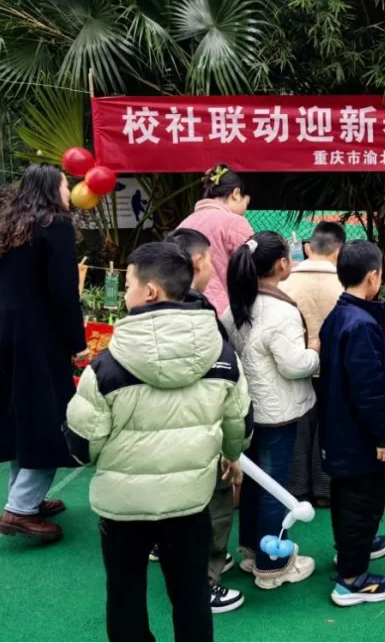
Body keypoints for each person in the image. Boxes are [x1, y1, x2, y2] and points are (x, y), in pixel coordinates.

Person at [65, 242, 251, 643]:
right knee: (191, 595)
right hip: (190, 500)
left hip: (122, 507)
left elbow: (82, 446)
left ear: (150, 291)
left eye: (128, 284)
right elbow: (240, 426)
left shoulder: (106, 366)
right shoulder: (223, 356)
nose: (125, 293)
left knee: (125, 595)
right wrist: (231, 455)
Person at [0, 165, 87, 542]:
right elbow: (63, 292)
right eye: (65, 185)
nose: (70, 191)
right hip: (39, 339)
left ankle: (25, 498)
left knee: (22, 418)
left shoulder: (12, 227)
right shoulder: (55, 225)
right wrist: (77, 342)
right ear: (51, 190)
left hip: (4, 334)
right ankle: (21, 508)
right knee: (51, 419)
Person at [225, 231, 320, 590]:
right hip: (277, 412)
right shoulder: (281, 311)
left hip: (245, 410)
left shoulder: (235, 306)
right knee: (274, 487)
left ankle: (253, 550)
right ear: (282, 264)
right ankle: (273, 565)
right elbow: (293, 365)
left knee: (254, 483)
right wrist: (315, 351)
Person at [318, 241, 385, 606]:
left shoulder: (341, 315)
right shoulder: (361, 325)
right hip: (358, 433)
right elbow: (368, 389)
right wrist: (383, 434)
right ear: (373, 276)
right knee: (364, 500)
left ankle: (351, 550)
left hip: (341, 428)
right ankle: (352, 580)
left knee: (347, 494)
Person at [163, 228, 245, 614]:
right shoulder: (200, 313)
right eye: (210, 259)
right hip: (200, 426)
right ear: (198, 262)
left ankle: (189, 566)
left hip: (166, 430)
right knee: (213, 501)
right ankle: (204, 582)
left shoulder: (153, 310)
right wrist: (233, 442)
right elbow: (222, 380)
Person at [280, 221, 347, 507]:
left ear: (308, 248)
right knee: (329, 424)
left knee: (298, 425)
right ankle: (325, 489)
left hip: (293, 364)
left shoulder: (284, 284)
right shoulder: (345, 284)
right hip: (333, 366)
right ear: (339, 251)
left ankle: (297, 489)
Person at [177, 165, 254, 315]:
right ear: (236, 194)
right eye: (246, 202)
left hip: (185, 307)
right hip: (224, 312)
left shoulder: (184, 223)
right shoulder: (235, 223)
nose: (245, 209)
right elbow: (254, 266)